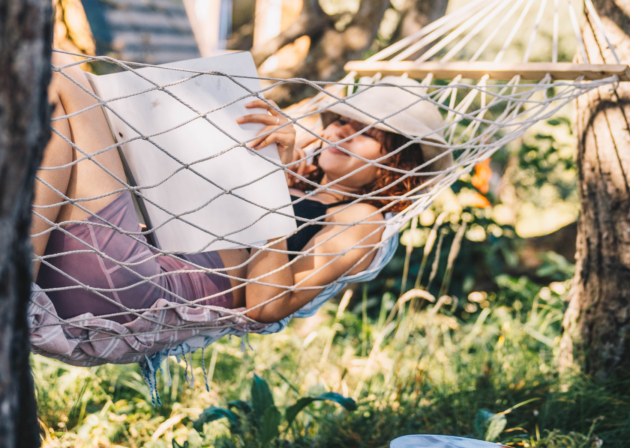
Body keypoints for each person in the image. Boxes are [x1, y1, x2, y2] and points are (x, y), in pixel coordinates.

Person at [32, 53, 450, 326]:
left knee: (63, 77)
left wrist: (267, 187)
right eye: (340, 120)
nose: (342, 132)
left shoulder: (361, 220)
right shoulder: (295, 181)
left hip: (139, 288)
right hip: (101, 260)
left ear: (395, 162)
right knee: (48, 87)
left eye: (366, 133)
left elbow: (266, 307)